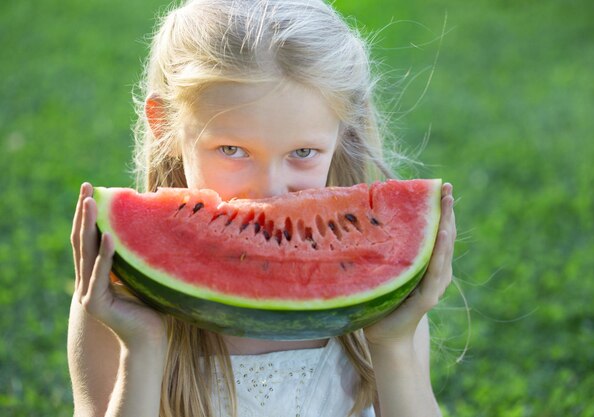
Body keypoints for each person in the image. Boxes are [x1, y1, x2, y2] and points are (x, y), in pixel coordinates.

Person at [68, 0, 456, 416]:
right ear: (164, 125)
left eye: (303, 151)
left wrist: (393, 344)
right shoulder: (119, 298)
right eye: (232, 150)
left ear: (343, 132)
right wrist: (140, 349)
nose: (269, 191)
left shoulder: (383, 292)